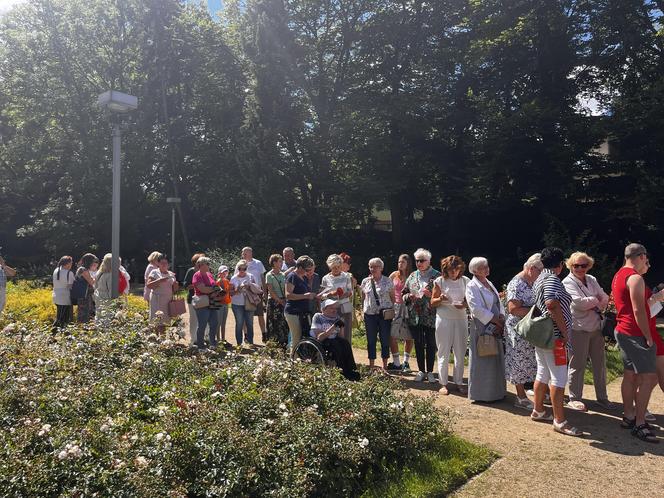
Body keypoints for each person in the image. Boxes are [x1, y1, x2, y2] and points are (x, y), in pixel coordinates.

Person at [530, 247, 582, 436]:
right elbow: (551, 303)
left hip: (543, 335)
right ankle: (560, 420)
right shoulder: (551, 278)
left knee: (542, 372)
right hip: (555, 337)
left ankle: (538, 410)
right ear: (560, 265)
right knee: (559, 377)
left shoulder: (539, 278)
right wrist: (564, 331)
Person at [612, 243, 659, 442]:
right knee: (649, 378)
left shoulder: (618, 275)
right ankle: (640, 423)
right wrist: (648, 336)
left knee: (630, 375)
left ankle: (629, 416)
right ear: (641, 256)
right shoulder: (635, 278)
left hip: (622, 330)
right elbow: (639, 310)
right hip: (634, 333)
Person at [562, 251, 616, 411]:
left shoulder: (591, 279)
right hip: (578, 328)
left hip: (596, 328)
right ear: (570, 266)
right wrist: (595, 300)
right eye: (576, 265)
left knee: (600, 364)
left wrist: (595, 301)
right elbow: (578, 303)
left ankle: (602, 398)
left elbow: (605, 297)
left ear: (589, 266)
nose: (580, 268)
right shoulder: (567, 282)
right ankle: (574, 398)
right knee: (577, 364)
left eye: (583, 265)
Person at [465, 257, 507, 402]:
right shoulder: (472, 286)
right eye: (483, 267)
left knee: (495, 357)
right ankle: (482, 394)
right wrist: (495, 321)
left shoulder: (489, 283)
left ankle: (497, 393)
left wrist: (501, 316)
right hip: (483, 326)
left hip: (496, 325)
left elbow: (498, 302)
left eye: (487, 266)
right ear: (475, 270)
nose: (487, 269)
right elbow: (476, 309)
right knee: (483, 357)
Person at [504, 254, 542, 410]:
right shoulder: (517, 284)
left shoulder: (531, 281)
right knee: (519, 362)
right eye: (540, 271)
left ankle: (535, 391)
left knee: (532, 362)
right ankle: (520, 397)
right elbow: (513, 309)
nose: (542, 275)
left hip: (530, 330)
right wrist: (537, 311)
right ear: (531, 268)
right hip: (518, 330)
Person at [430, 255, 470, 395]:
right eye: (450, 270)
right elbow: (432, 302)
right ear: (445, 270)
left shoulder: (466, 281)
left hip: (461, 318)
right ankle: (443, 383)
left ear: (460, 269)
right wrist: (440, 298)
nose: (453, 272)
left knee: (460, 351)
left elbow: (470, 301)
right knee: (443, 351)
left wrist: (464, 304)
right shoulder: (439, 281)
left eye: (456, 269)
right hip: (444, 319)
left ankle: (459, 382)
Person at [403, 248, 440, 382]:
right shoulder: (412, 275)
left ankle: (430, 372)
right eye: (417, 260)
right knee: (418, 343)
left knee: (431, 343)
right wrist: (409, 296)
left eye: (422, 260)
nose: (419, 263)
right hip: (415, 315)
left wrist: (432, 296)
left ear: (429, 261)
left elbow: (443, 296)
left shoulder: (437, 276)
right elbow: (404, 293)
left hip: (431, 315)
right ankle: (420, 370)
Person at [310, 299, 360, 380]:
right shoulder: (318, 317)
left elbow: (341, 337)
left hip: (333, 339)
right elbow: (319, 337)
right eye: (331, 308)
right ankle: (342, 372)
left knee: (345, 343)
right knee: (336, 346)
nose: (334, 310)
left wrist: (341, 327)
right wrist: (334, 326)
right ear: (324, 309)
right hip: (322, 340)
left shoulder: (336, 317)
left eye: (335, 308)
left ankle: (351, 370)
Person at [360, 258, 395, 371]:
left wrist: (391, 310)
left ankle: (385, 366)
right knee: (371, 340)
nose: (373, 269)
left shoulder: (388, 281)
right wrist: (362, 309)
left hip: (384, 315)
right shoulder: (365, 281)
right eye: (371, 266)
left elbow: (392, 297)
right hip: (369, 315)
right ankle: (371, 365)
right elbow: (363, 297)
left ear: (381, 268)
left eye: (376, 266)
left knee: (385, 340)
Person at [320, 254, 354, 344]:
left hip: (345, 309)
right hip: (331, 310)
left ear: (341, 265)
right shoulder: (325, 278)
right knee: (334, 334)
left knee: (346, 334)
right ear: (329, 266)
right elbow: (322, 296)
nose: (336, 269)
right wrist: (331, 294)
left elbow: (351, 291)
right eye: (333, 267)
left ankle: (347, 355)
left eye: (338, 267)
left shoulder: (346, 276)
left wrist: (345, 294)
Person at [388, 254, 414, 372]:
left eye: (403, 262)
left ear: (408, 263)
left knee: (409, 336)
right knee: (392, 335)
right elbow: (386, 287)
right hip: (396, 306)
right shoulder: (394, 275)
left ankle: (406, 363)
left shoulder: (413, 276)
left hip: (409, 307)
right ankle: (397, 362)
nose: (400, 264)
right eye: (399, 262)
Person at [284, 256, 316, 350]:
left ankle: (299, 359)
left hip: (302, 312)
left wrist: (314, 295)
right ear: (300, 267)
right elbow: (288, 295)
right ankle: (293, 361)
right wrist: (305, 296)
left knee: (302, 336)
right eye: (307, 269)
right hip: (292, 312)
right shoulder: (292, 276)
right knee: (296, 338)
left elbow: (306, 293)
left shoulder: (303, 277)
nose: (308, 271)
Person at [191, 257, 219, 350]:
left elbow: (213, 286)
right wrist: (214, 289)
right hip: (202, 302)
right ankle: (200, 346)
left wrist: (216, 290)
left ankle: (212, 344)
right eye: (207, 263)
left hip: (211, 301)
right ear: (201, 265)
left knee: (214, 323)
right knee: (202, 325)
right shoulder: (197, 275)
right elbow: (203, 289)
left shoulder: (209, 274)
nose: (209, 265)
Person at [230, 259, 259, 348]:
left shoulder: (251, 276)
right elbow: (230, 293)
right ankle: (239, 344)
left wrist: (249, 287)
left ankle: (250, 343)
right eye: (240, 268)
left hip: (249, 302)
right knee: (239, 323)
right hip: (237, 304)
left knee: (249, 323)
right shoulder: (233, 278)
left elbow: (256, 289)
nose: (242, 271)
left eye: (244, 269)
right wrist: (237, 290)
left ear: (247, 268)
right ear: (237, 268)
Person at [146, 254, 178, 329]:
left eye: (165, 263)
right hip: (156, 300)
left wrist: (176, 284)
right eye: (162, 263)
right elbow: (149, 285)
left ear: (168, 264)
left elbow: (175, 290)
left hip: (168, 301)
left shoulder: (171, 274)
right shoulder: (154, 272)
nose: (164, 265)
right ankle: (156, 338)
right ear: (158, 264)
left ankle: (164, 339)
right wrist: (159, 281)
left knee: (165, 322)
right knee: (156, 321)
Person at [241, 247, 266, 337]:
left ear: (251, 253)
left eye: (245, 253)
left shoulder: (258, 263)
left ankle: (264, 334)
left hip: (258, 292)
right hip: (246, 293)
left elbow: (262, 278)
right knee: (246, 316)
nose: (243, 255)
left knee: (260, 315)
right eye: (243, 253)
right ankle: (247, 335)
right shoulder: (240, 264)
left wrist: (265, 293)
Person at [265, 254, 289, 347]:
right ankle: (274, 344)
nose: (282, 262)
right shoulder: (269, 275)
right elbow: (271, 291)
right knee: (274, 324)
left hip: (283, 301)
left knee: (283, 323)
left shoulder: (283, 274)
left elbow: (285, 289)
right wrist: (280, 301)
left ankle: (284, 343)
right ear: (274, 263)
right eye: (280, 261)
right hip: (274, 303)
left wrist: (285, 300)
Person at [183, 253, 205, 346]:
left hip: (204, 299)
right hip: (192, 299)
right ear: (195, 262)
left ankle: (203, 338)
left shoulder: (206, 271)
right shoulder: (191, 271)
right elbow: (185, 285)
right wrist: (194, 285)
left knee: (204, 319)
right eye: (200, 260)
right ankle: (193, 339)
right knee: (194, 320)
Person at [52, 256, 75, 330]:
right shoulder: (69, 273)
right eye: (71, 263)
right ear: (68, 263)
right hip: (64, 297)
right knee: (62, 318)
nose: (71, 264)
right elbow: (71, 286)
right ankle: (54, 333)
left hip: (56, 295)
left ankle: (60, 333)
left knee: (60, 316)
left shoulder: (56, 270)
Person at [75, 253, 98, 323]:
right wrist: (98, 276)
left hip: (86, 295)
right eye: (93, 261)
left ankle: (84, 330)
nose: (94, 263)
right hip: (84, 296)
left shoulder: (83, 269)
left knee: (87, 313)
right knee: (84, 314)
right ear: (89, 261)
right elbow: (91, 282)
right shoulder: (83, 270)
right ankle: (82, 330)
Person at [93, 253, 115, 326]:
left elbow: (95, 285)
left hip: (98, 295)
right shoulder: (110, 275)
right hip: (106, 297)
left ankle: (97, 328)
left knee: (98, 314)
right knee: (108, 316)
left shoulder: (99, 272)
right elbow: (111, 290)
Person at [215, 265, 231, 346]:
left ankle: (223, 339)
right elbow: (219, 295)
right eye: (223, 272)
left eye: (226, 271)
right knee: (218, 323)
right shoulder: (218, 282)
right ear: (219, 273)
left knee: (223, 323)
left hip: (226, 304)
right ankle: (218, 340)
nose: (225, 273)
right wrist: (227, 291)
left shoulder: (227, 281)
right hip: (219, 304)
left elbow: (228, 292)